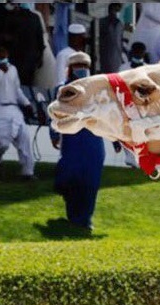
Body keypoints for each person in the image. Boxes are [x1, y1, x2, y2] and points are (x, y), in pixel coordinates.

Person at [50, 52, 105, 231]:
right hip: (72, 139)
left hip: (93, 140)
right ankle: (72, 209)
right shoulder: (63, 90)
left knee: (90, 181)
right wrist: (54, 134)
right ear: (70, 69)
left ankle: (83, 220)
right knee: (70, 176)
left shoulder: (97, 90)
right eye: (78, 66)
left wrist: (116, 140)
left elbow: (108, 114)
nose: (82, 70)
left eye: (84, 66)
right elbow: (55, 113)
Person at [0, 46, 35, 180]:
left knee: (24, 138)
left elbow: (17, 89)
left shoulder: (13, 69)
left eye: (5, 52)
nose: (3, 55)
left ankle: (28, 172)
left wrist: (26, 103)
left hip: (13, 109)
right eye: (0, 52)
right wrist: (0, 73)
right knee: (2, 143)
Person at [5, 2, 45, 87]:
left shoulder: (13, 17)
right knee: (27, 83)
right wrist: (40, 57)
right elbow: (40, 39)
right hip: (30, 59)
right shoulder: (35, 18)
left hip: (16, 58)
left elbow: (7, 38)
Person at [92, 3, 124, 75]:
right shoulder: (102, 22)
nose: (117, 13)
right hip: (104, 57)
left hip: (117, 58)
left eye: (118, 11)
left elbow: (120, 41)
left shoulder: (120, 24)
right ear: (110, 10)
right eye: (116, 10)